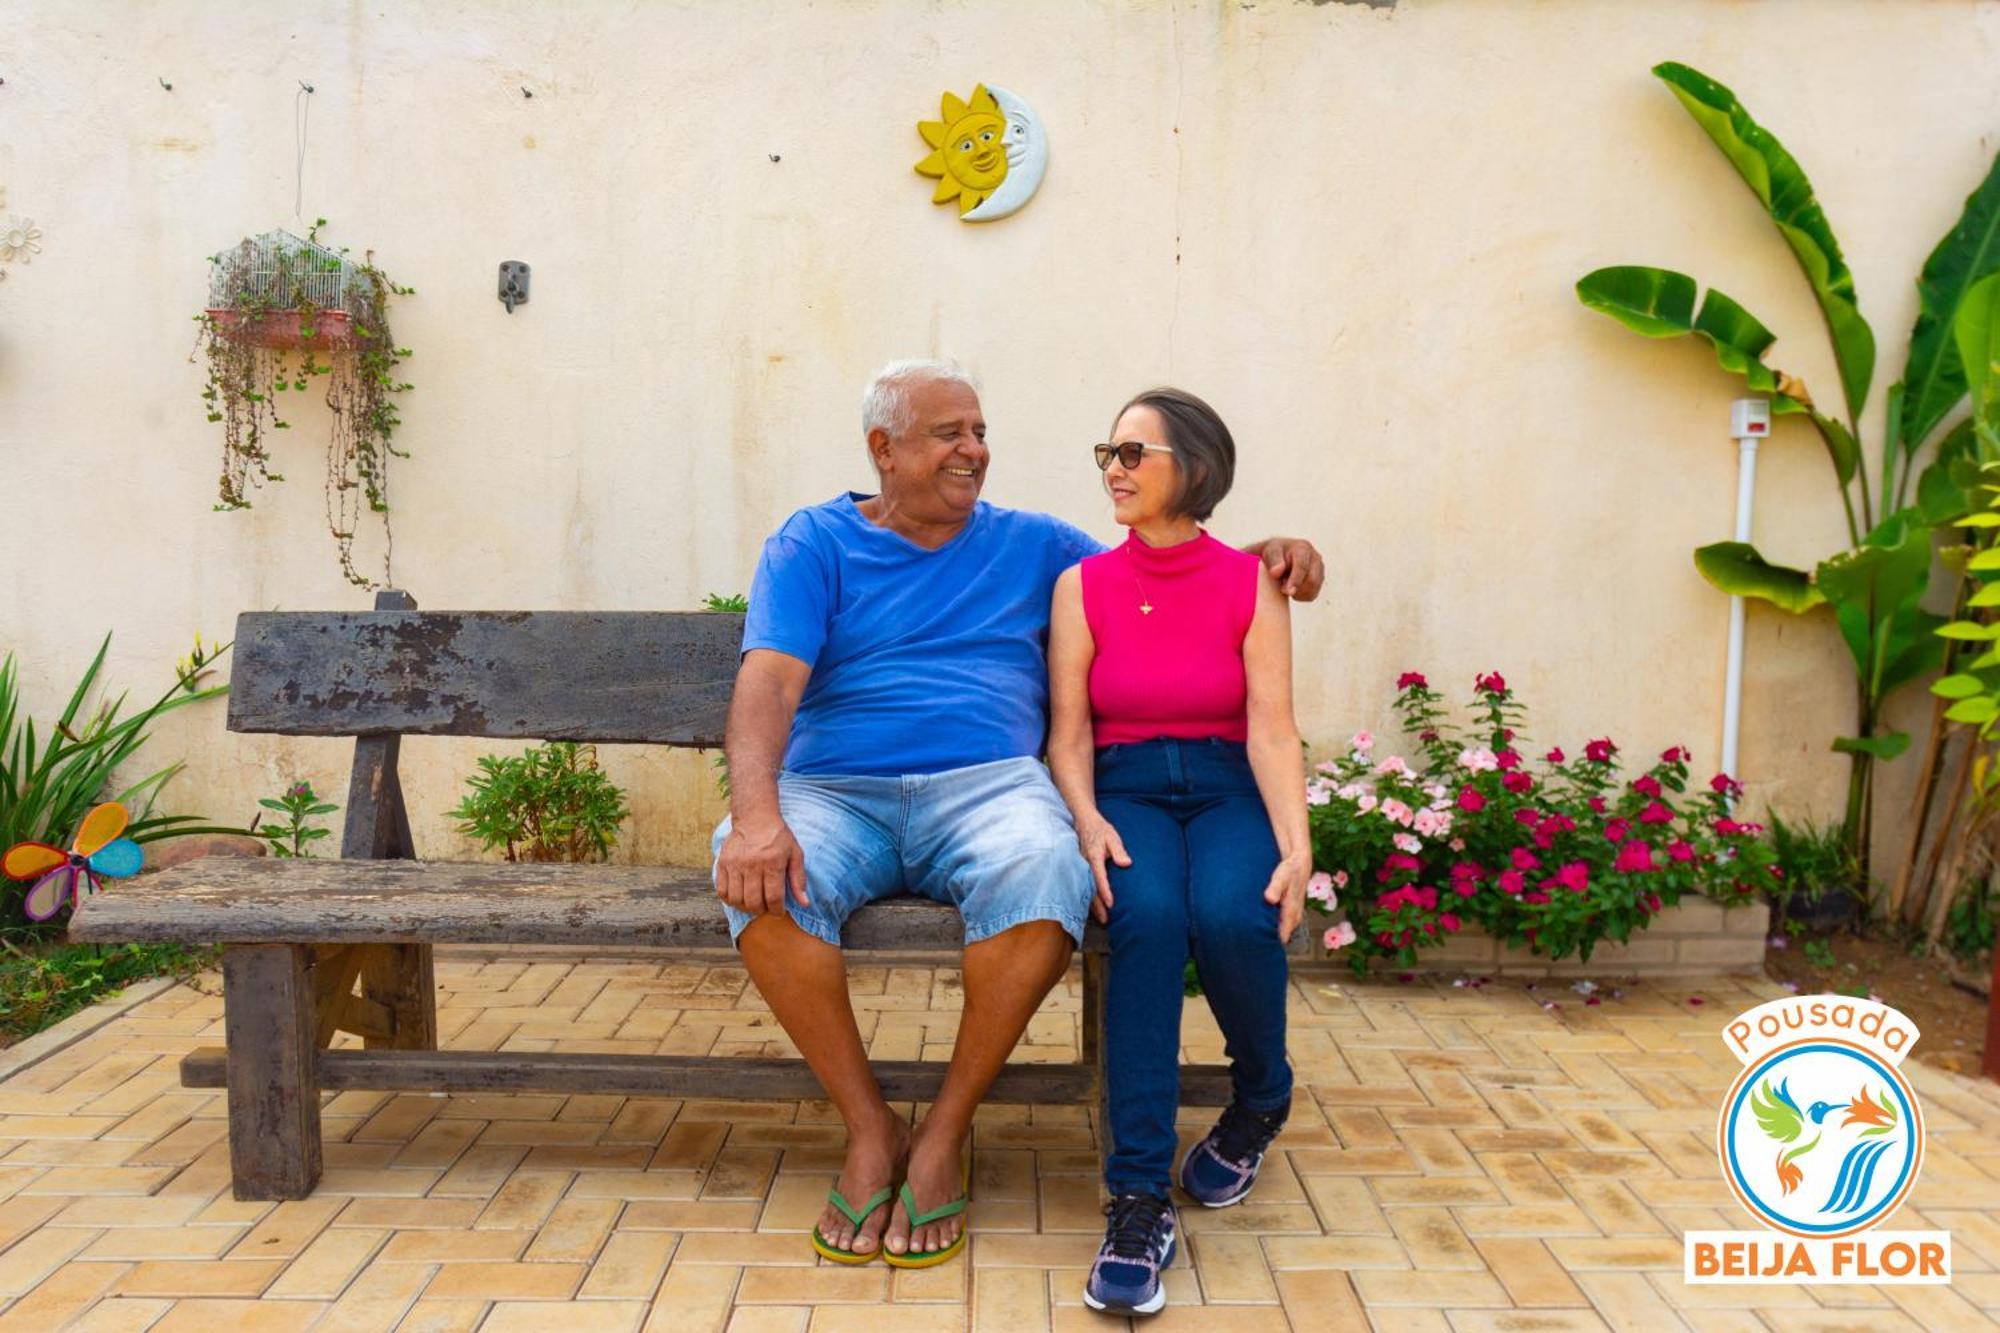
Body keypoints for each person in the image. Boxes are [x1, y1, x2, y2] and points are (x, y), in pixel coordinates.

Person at [712, 360, 1323, 1269]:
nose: (975, 451)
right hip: (838, 789)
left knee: (1050, 867)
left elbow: (1161, 556)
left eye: (981, 431)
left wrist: (1268, 552)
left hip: (989, 785)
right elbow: (768, 683)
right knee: (754, 872)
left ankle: (945, 1130)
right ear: (883, 449)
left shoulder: (1036, 544)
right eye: (948, 433)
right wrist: (758, 812)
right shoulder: (814, 544)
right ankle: (871, 1124)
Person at [1046, 387, 1310, 1316]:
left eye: (1132, 453)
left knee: (1240, 912)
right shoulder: (1083, 586)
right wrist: (1084, 816)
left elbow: (1273, 728)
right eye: (1106, 453)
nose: (1113, 470)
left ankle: (1261, 1100)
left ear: (1191, 468)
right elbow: (1069, 732)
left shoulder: (1251, 582)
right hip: (1125, 786)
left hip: (1228, 777)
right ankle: (1137, 1199)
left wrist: (1297, 844)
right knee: (1147, 917)